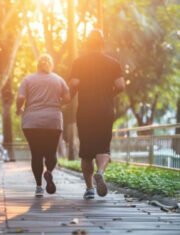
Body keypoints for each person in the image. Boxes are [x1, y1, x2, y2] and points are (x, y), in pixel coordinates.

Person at [69, 29, 126, 199]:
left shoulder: (79, 62)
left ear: (87, 43)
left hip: (85, 110)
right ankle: (100, 172)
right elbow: (121, 85)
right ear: (102, 43)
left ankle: (89, 189)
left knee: (86, 151)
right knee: (103, 147)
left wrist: (66, 98)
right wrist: (109, 94)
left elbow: (73, 83)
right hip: (105, 110)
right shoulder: (113, 63)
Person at [16, 54, 70, 197]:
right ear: (50, 65)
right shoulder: (58, 79)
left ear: (37, 65)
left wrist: (18, 109)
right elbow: (67, 97)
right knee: (51, 153)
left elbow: (20, 97)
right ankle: (49, 172)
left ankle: (39, 187)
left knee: (36, 154)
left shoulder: (28, 79)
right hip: (53, 121)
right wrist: (57, 104)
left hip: (32, 122)